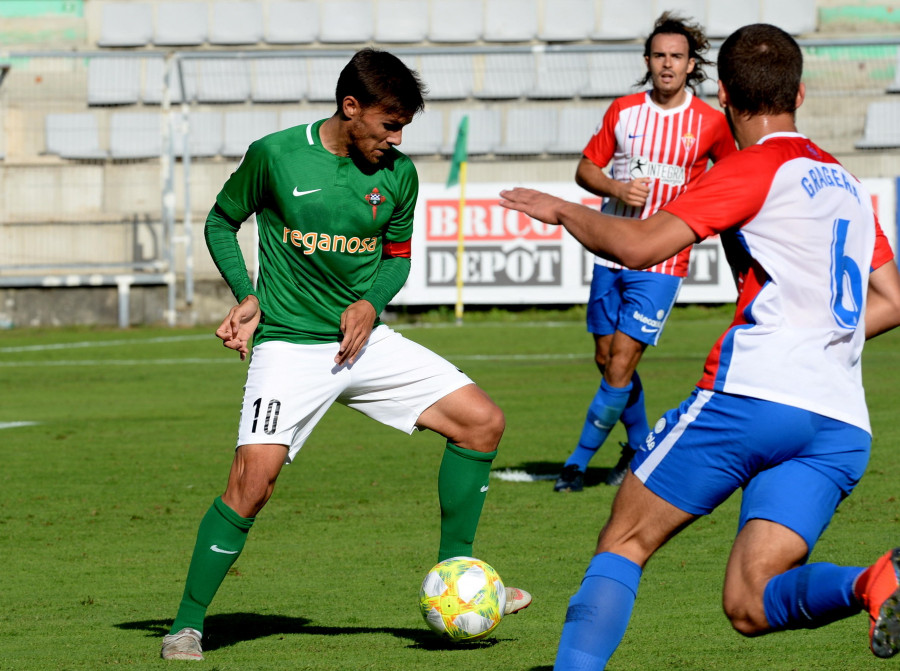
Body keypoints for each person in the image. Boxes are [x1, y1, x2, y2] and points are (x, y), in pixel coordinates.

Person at [500, 23, 900, 669]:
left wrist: (563, 209)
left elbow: (637, 245)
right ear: (799, 91)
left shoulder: (753, 167)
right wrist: (819, 332)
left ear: (724, 95)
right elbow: (894, 298)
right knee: (749, 600)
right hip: (840, 422)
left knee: (624, 538)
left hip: (755, 396)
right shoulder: (847, 184)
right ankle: (874, 580)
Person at [160, 48, 531, 662]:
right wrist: (247, 296)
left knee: (481, 422)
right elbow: (222, 221)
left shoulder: (399, 175)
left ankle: (455, 580)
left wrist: (370, 305)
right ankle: (187, 624)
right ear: (350, 108)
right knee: (251, 485)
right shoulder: (276, 154)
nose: (396, 138)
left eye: (404, 126)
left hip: (363, 343)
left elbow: (396, 258)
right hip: (288, 344)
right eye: (389, 125)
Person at [555, 12, 736, 493]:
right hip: (611, 248)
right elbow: (584, 169)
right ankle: (641, 448)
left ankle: (575, 464)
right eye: (659, 55)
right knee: (606, 357)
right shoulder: (624, 111)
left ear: (691, 63)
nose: (667, 64)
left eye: (676, 56)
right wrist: (615, 185)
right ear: (648, 61)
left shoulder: (711, 124)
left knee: (620, 362)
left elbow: (734, 178)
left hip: (663, 259)